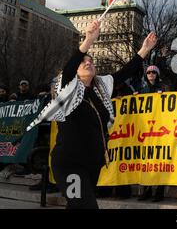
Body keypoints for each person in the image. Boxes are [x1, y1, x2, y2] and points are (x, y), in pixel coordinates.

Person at [42, 20, 157, 209]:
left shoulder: (101, 88)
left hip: (91, 164)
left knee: (77, 206)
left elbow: (124, 72)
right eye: (83, 62)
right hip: (69, 164)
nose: (88, 63)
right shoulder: (66, 88)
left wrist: (144, 50)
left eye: (91, 61)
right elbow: (70, 67)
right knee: (86, 206)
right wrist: (88, 40)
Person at [138, 64, 166, 202]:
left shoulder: (163, 88)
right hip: (146, 131)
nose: (151, 74)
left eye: (154, 72)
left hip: (159, 130)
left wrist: (163, 96)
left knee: (159, 162)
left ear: (157, 74)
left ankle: (158, 193)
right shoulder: (142, 90)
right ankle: (146, 191)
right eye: (148, 72)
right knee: (146, 162)